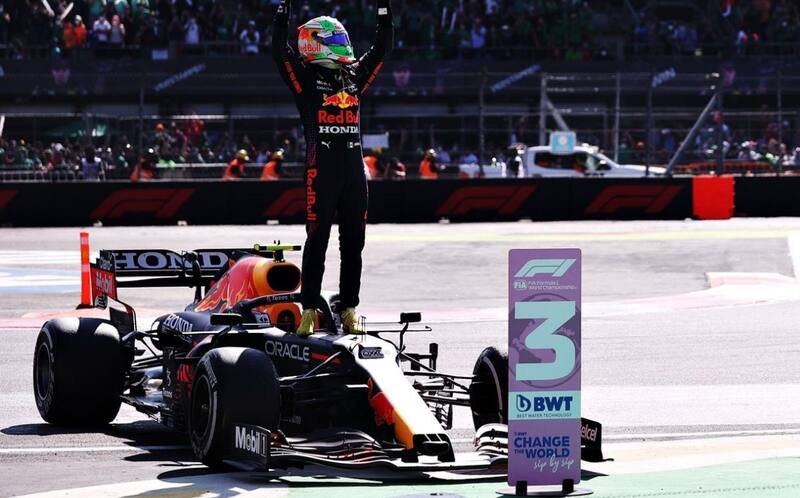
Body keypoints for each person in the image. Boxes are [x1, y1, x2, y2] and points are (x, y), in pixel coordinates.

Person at [273, 0, 393, 336]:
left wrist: (384, 10)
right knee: (317, 243)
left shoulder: (353, 76)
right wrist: (282, 13)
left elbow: (382, 51)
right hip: (320, 173)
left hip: (355, 175)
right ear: (316, 43)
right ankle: (309, 311)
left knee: (354, 244)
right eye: (336, 40)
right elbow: (280, 53)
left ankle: (349, 309)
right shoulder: (305, 79)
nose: (343, 45)